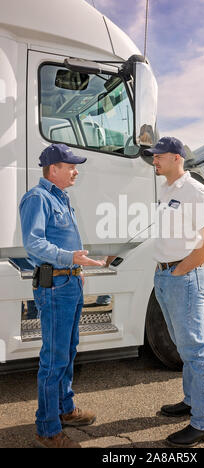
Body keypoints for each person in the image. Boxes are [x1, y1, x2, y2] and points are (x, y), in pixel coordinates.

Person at [19, 143, 105, 448]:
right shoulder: (37, 198)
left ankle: (64, 410)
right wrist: (71, 259)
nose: (75, 171)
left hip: (69, 284)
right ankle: (47, 428)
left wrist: (76, 270)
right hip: (55, 286)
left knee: (68, 351)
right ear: (53, 168)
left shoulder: (60, 197)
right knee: (54, 359)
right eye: (70, 166)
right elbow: (34, 244)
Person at [144, 137, 204, 448]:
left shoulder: (196, 191)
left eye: (159, 156)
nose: (154, 161)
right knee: (183, 346)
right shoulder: (166, 189)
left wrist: (179, 270)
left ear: (177, 158)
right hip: (165, 275)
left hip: (183, 277)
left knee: (194, 349)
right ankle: (192, 402)